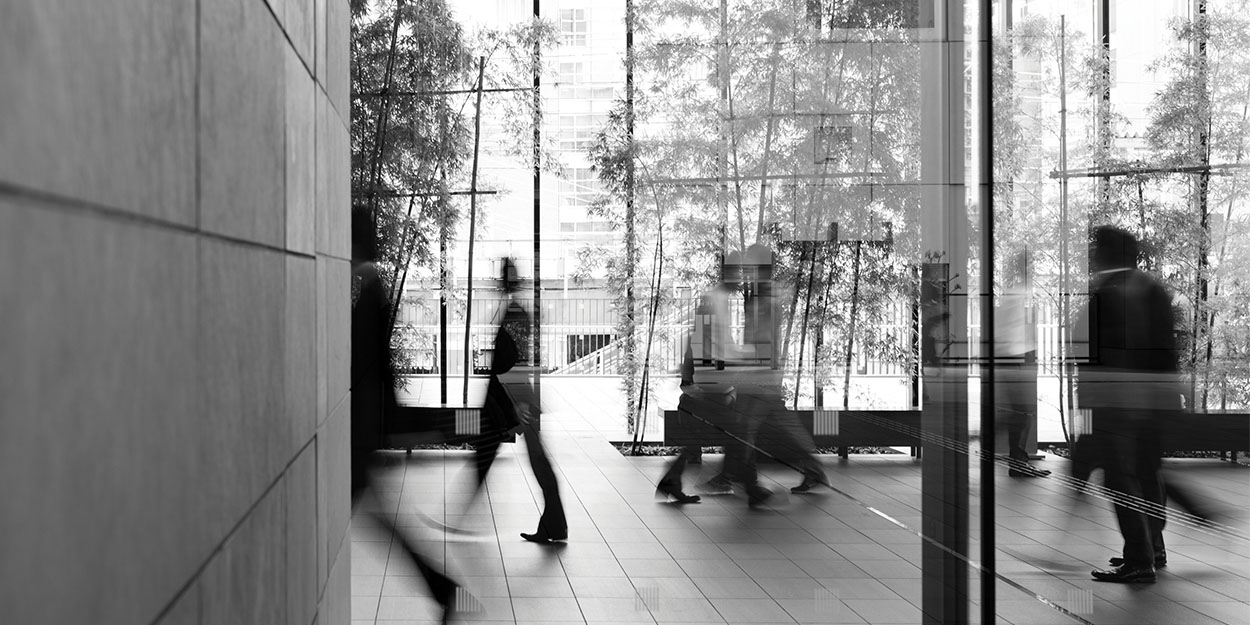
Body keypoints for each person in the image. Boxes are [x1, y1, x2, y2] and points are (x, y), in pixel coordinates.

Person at [351, 211, 461, 623]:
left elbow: (366, 363)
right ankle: (441, 587)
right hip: (364, 423)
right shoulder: (371, 285)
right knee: (379, 520)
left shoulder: (370, 288)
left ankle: (442, 587)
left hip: (360, 425)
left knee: (377, 519)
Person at [1075, 226, 1180, 584]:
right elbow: (1167, 350)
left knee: (1121, 479)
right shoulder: (1152, 290)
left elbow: (1091, 363)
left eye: (1095, 249)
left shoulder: (1107, 294)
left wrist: (1085, 420)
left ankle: (1139, 559)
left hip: (1118, 406)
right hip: (1152, 403)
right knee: (1148, 473)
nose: (1092, 255)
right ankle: (1153, 547)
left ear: (1107, 254)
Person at [471, 257, 568, 544]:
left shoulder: (515, 312)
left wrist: (519, 404)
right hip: (517, 397)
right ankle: (554, 524)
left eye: (504, 277)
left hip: (518, 399)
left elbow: (515, 360)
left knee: (537, 459)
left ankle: (555, 523)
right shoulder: (516, 310)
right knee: (534, 458)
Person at [994, 250, 1049, 477]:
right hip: (1013, 361)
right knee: (1022, 412)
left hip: (1013, 360)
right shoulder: (1017, 292)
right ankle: (1014, 460)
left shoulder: (1014, 293)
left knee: (1020, 413)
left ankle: (1017, 460)